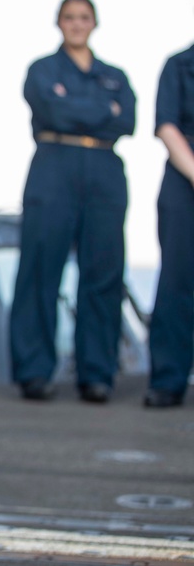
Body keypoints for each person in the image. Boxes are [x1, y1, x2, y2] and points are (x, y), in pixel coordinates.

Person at [9, 0, 136, 404]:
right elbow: (56, 113)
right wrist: (103, 109)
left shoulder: (115, 73)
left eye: (84, 17)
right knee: (40, 267)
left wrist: (75, 106)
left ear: (94, 23)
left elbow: (128, 119)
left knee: (103, 272)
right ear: (58, 23)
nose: (77, 24)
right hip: (54, 164)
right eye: (69, 17)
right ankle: (33, 372)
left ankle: (97, 374)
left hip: (104, 170)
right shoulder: (42, 70)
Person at [145, 40, 194, 408]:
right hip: (184, 177)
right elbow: (166, 126)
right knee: (177, 280)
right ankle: (169, 379)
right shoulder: (179, 64)